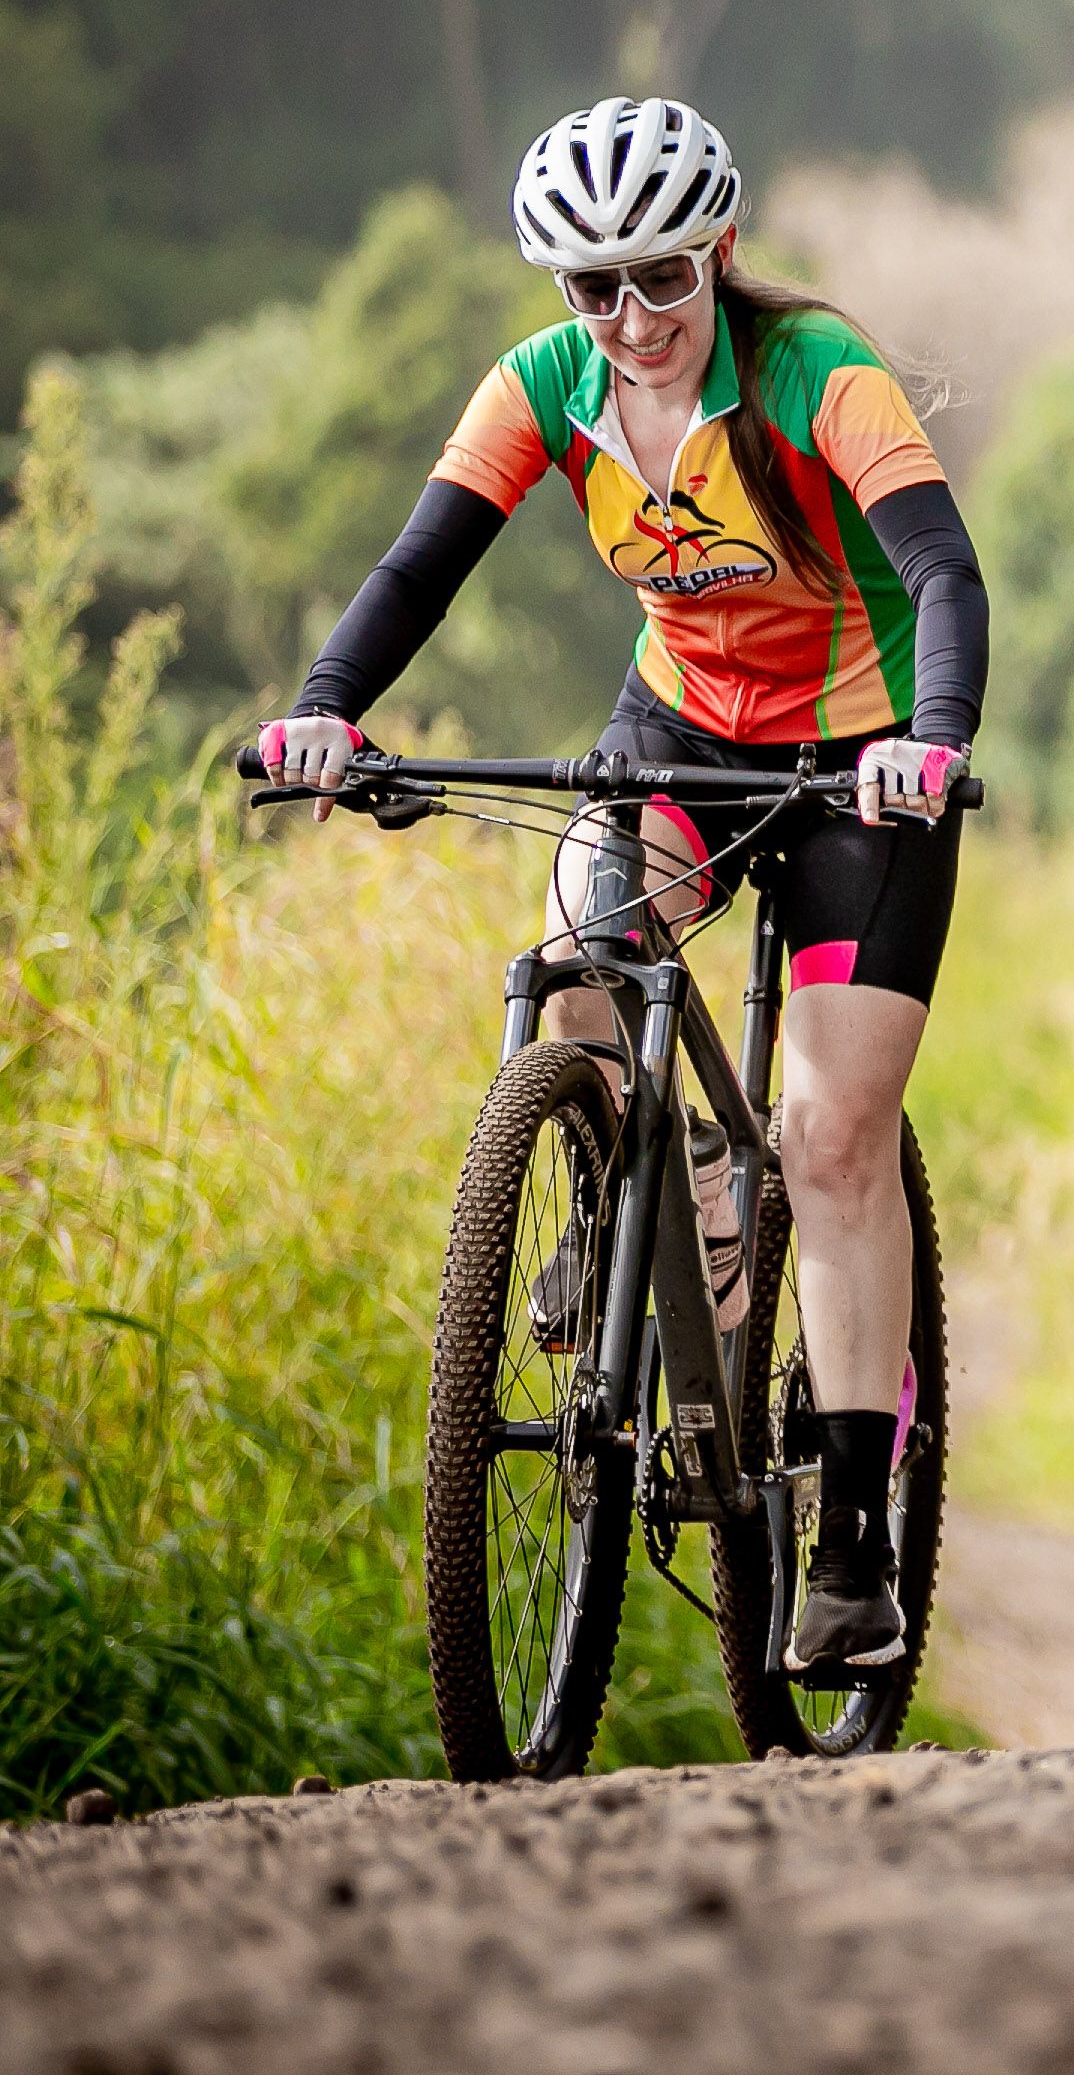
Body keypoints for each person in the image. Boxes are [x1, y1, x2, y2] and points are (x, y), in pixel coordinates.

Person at [249, 97, 985, 1678]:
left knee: (830, 1136)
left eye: (661, 276)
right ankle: (639, 1186)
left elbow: (940, 569)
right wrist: (326, 710)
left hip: (861, 761)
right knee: (575, 965)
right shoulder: (545, 385)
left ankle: (853, 1541)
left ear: (719, 250)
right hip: (681, 735)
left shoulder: (815, 374)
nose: (633, 317)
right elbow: (420, 564)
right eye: (595, 286)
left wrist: (931, 740)